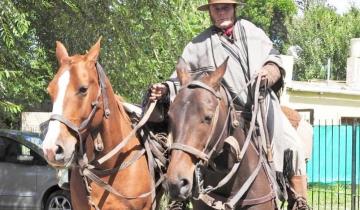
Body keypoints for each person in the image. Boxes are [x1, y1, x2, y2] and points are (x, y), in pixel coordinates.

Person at [147, 0, 309, 209]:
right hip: (219, 114)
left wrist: (268, 73)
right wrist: (166, 89)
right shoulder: (197, 45)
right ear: (210, 12)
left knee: (293, 143)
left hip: (257, 108)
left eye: (225, 8)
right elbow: (181, 80)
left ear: (234, 9)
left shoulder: (253, 33)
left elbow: (274, 61)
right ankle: (180, 197)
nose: (221, 12)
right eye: (216, 8)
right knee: (187, 140)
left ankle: (299, 199)